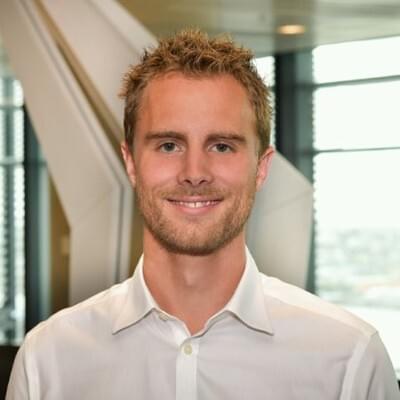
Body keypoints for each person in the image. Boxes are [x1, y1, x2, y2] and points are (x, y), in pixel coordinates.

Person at [6, 29, 399, 400]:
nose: (194, 173)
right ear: (131, 163)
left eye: (222, 146)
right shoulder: (48, 362)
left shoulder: (349, 361)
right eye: (169, 145)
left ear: (261, 167)